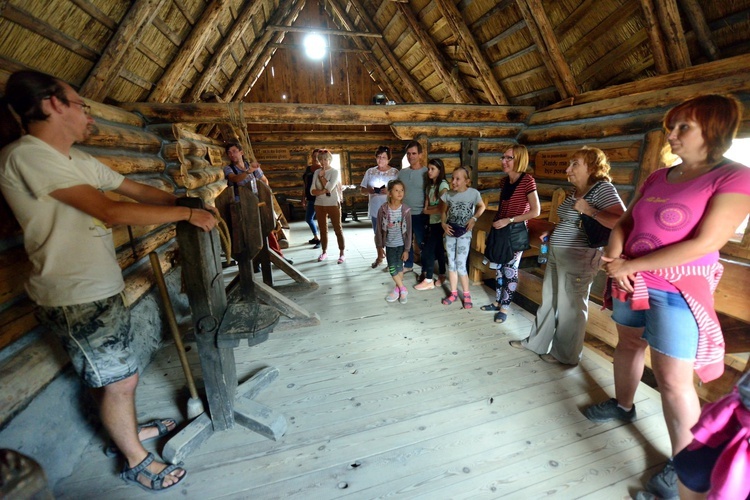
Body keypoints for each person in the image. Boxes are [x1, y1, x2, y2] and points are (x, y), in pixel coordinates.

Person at [0, 70, 218, 491]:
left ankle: (128, 432)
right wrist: (188, 215)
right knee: (120, 380)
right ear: (52, 104)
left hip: (98, 287)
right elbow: (110, 211)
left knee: (110, 376)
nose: (90, 117)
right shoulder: (26, 156)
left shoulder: (75, 160)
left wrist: (187, 200)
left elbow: (135, 191)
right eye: (81, 105)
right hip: (71, 295)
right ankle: (136, 460)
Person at [583, 94, 750, 499]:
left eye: (683, 127)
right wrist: (615, 257)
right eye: (670, 128)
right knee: (628, 343)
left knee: (675, 381)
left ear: (714, 130)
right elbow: (625, 220)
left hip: (678, 289)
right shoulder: (659, 177)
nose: (671, 136)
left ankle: (684, 467)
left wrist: (629, 266)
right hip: (630, 280)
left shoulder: (735, 177)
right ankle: (623, 405)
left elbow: (707, 242)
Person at [510, 146, 624, 364]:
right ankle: (536, 343)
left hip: (579, 258)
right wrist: (552, 231)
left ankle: (566, 356)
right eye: (569, 163)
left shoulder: (602, 189)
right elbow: (570, 220)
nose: (568, 169)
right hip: (557, 253)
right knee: (549, 301)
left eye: (575, 164)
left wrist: (590, 210)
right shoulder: (574, 192)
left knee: (571, 308)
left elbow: (622, 221)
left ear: (592, 167)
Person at [479, 145, 541, 322]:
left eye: (509, 158)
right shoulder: (504, 182)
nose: (504, 161)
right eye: (503, 157)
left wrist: (510, 220)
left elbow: (535, 211)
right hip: (501, 231)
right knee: (499, 269)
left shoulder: (527, 181)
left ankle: (504, 309)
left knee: (510, 270)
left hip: (515, 232)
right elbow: (503, 208)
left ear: (519, 160)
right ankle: (498, 302)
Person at [223, 142, 291, 264]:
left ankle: (278, 256)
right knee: (249, 232)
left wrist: (263, 192)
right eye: (229, 153)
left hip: (257, 202)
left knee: (267, 228)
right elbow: (235, 179)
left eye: (234, 151)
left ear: (241, 152)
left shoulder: (251, 166)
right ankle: (255, 261)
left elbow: (264, 180)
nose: (231, 154)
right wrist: (249, 172)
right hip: (241, 206)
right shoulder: (229, 169)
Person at [440, 166, 486, 308]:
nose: (453, 181)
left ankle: (466, 294)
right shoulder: (447, 195)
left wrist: (474, 219)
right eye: (452, 178)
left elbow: (482, 207)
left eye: (457, 179)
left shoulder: (473, 194)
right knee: (451, 263)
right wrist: (443, 224)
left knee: (460, 264)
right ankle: (453, 293)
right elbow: (443, 212)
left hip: (465, 233)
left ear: (467, 181)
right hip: (450, 231)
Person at [360, 145, 399, 268]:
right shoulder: (370, 172)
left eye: (383, 157)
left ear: (389, 159)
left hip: (390, 209)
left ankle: (391, 260)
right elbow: (362, 189)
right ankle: (379, 256)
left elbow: (400, 191)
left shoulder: (395, 173)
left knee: (390, 234)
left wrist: (389, 191)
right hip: (375, 209)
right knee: (378, 234)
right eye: (378, 157)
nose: (381, 160)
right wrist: (369, 190)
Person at [414, 158, 449, 290]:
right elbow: (426, 205)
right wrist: (428, 210)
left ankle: (429, 279)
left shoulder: (443, 186)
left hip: (441, 222)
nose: (429, 171)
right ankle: (442, 274)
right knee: (439, 248)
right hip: (432, 222)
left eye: (433, 169)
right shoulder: (430, 186)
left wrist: (427, 211)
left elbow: (442, 208)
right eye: (428, 169)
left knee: (428, 250)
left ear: (440, 170)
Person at [375, 180, 412, 304]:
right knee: (392, 268)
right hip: (390, 245)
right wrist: (379, 247)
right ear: (390, 193)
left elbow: (409, 232)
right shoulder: (383, 209)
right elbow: (379, 230)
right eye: (396, 190)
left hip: (401, 245)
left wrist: (407, 249)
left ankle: (398, 290)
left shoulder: (406, 210)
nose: (400, 192)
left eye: (402, 190)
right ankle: (402, 288)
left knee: (399, 267)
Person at [398, 141, 428, 277]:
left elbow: (430, 193)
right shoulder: (402, 173)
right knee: (406, 241)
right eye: (408, 154)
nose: (411, 156)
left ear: (420, 154)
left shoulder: (427, 172)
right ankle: (408, 265)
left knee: (422, 242)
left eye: (414, 153)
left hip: (421, 213)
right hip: (405, 213)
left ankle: (425, 269)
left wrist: (426, 209)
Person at [311, 149, 346, 263]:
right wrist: (322, 191)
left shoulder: (334, 172)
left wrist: (322, 177)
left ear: (330, 160)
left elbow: (330, 187)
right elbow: (312, 190)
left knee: (337, 228)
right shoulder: (316, 172)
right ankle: (324, 251)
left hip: (332, 203)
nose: (323, 162)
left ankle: (341, 253)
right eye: (321, 159)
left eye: (325, 159)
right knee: (322, 229)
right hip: (319, 204)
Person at [301, 148, 321, 248]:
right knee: (308, 218)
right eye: (314, 156)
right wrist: (303, 197)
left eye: (317, 156)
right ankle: (316, 237)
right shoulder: (309, 169)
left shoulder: (322, 168)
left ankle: (321, 240)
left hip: (320, 198)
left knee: (321, 219)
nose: (315, 158)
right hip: (310, 198)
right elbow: (305, 184)